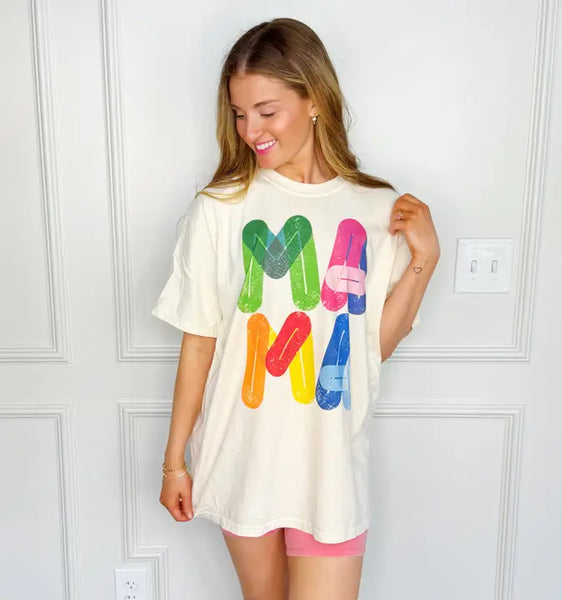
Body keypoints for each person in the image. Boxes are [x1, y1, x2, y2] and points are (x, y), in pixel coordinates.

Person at [152, 16, 440, 600]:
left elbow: (370, 350)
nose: (250, 130)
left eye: (267, 111)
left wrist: (425, 259)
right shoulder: (221, 207)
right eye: (239, 113)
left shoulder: (376, 209)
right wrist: (174, 462)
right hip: (242, 455)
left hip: (328, 467)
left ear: (314, 100)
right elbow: (200, 339)